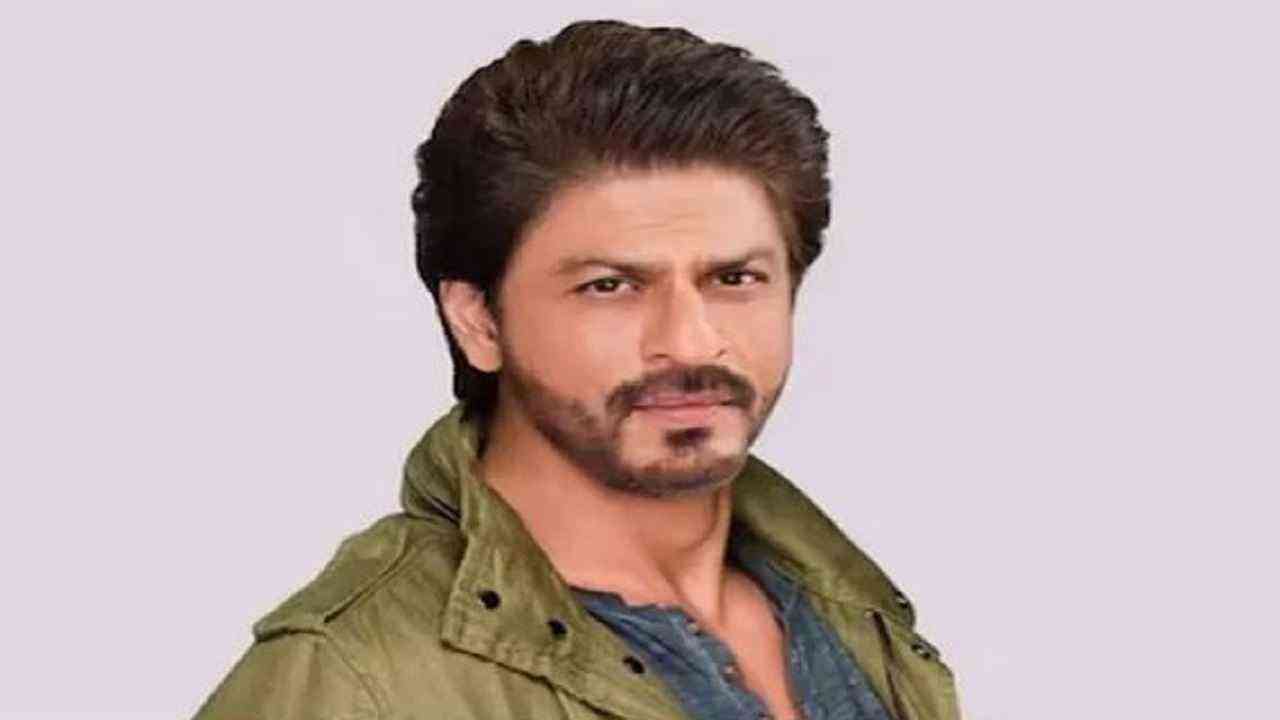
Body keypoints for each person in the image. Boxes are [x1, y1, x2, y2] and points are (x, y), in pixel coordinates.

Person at [195, 19, 960, 720]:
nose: (691, 343)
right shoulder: (355, 681)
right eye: (611, 286)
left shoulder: (851, 616)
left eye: (734, 279)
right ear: (479, 321)